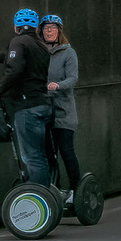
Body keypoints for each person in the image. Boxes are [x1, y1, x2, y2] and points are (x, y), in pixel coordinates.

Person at [0, 8, 54, 185]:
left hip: (26, 107)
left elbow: (14, 70)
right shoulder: (41, 46)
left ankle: (38, 200)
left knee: (32, 157)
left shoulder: (18, 41)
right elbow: (21, 60)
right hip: (42, 104)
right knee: (41, 156)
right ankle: (47, 197)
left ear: (17, 26)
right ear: (35, 26)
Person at [41, 14, 82, 197]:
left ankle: (76, 190)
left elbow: (73, 78)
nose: (49, 31)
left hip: (63, 111)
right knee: (49, 154)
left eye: (53, 28)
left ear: (59, 31)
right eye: (46, 28)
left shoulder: (68, 52)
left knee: (66, 151)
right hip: (44, 110)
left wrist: (58, 85)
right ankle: (54, 192)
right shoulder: (39, 52)